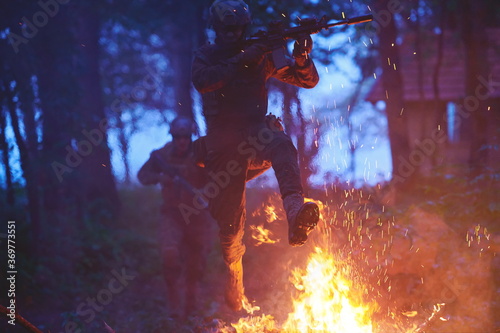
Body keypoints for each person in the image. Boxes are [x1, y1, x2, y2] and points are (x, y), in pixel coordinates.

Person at [191, 0, 320, 312]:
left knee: (281, 144)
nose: (234, 33)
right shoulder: (206, 55)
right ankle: (235, 285)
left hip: (255, 136)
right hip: (222, 148)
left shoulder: (260, 54)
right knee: (230, 230)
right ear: (217, 29)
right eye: (227, 29)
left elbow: (307, 81)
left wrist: (301, 58)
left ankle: (294, 213)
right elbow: (204, 82)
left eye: (239, 28)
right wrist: (243, 58)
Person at [137, 116, 214, 320]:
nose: (182, 141)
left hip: (197, 217)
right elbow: (142, 176)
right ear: (173, 137)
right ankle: (174, 311)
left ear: (190, 137)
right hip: (171, 215)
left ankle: (191, 309)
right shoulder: (161, 156)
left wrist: (205, 192)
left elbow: (216, 179)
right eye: (178, 137)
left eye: (186, 137)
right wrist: (161, 177)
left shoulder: (201, 155)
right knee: (170, 255)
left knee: (195, 265)